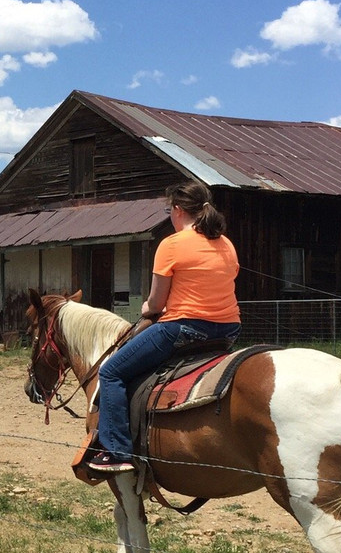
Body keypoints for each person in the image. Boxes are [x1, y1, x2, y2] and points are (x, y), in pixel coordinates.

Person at [87, 180, 241, 474]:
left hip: (185, 329)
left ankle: (117, 451)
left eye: (169, 209)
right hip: (228, 331)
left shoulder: (171, 245)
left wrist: (146, 308)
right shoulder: (226, 244)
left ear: (178, 210)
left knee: (111, 372)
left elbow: (157, 304)